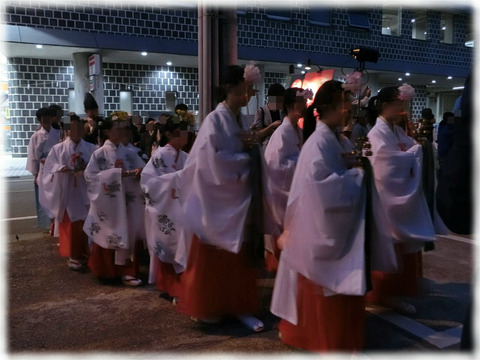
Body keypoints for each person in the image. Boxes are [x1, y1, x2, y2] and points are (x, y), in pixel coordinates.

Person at [270, 80, 377, 351]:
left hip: (335, 226)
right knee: (328, 286)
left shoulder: (336, 138)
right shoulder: (318, 142)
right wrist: (356, 176)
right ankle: (327, 341)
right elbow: (321, 187)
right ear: (328, 108)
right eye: (345, 104)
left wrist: (353, 167)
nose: (349, 110)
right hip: (321, 226)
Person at [177, 64, 264, 332]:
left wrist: (250, 150)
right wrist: (246, 160)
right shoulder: (215, 119)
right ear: (228, 91)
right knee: (216, 257)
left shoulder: (239, 119)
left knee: (238, 257)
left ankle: (238, 306)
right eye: (241, 92)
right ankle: (211, 306)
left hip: (235, 199)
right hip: (217, 200)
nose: (245, 97)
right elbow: (210, 161)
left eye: (248, 92)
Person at [365, 86, 436, 314]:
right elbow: (385, 166)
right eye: (399, 105)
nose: (402, 110)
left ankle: (394, 292)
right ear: (385, 106)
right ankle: (386, 293)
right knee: (390, 245)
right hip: (386, 198)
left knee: (401, 244)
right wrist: (414, 153)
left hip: (395, 195)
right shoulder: (376, 134)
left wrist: (416, 148)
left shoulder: (394, 131)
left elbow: (404, 150)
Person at [83, 115, 145, 286]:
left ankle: (128, 271)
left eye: (123, 128)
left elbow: (143, 169)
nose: (121, 131)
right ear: (107, 132)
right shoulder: (99, 154)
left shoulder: (130, 152)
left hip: (128, 199)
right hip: (109, 203)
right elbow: (90, 177)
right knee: (110, 231)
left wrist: (139, 172)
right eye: (116, 128)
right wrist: (117, 175)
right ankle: (108, 271)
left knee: (129, 231)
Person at [140, 121, 189, 303]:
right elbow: (148, 182)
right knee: (169, 245)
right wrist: (178, 178)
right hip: (165, 208)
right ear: (169, 134)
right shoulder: (160, 155)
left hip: (181, 207)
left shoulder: (185, 156)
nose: (185, 135)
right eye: (181, 132)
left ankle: (182, 287)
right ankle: (171, 288)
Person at [41, 115, 96, 270]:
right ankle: (73, 255)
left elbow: (97, 167)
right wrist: (60, 169)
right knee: (71, 224)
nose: (75, 131)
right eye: (71, 128)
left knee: (86, 221)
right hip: (68, 191)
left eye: (78, 127)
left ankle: (86, 253)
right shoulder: (58, 149)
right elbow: (49, 169)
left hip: (85, 190)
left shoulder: (91, 148)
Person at [262, 87, 306, 272]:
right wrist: (303, 164)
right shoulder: (282, 132)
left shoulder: (297, 130)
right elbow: (275, 165)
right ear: (292, 105)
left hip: (295, 189)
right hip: (283, 192)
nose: (305, 105)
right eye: (302, 102)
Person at [26, 107, 62, 232]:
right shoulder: (36, 136)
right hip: (42, 169)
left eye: (48, 119)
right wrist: (35, 174)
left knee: (55, 197)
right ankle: (47, 225)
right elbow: (33, 157)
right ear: (40, 121)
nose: (46, 122)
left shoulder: (58, 133)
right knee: (43, 198)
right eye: (44, 120)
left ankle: (56, 225)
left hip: (55, 168)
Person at [251, 82, 286, 149]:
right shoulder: (261, 111)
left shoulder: (282, 111)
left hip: (281, 145)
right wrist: (271, 127)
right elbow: (258, 134)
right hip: (266, 146)